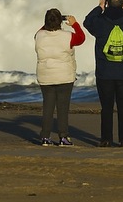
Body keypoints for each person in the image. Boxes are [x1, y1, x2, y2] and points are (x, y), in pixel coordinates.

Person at [83, 0, 123, 147]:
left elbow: (87, 22)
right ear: (122, 4)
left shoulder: (100, 22)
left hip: (105, 73)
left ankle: (106, 140)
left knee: (106, 108)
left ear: (108, 4)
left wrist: (99, 8)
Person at [34, 8, 85, 146]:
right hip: (64, 76)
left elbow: (42, 29)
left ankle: (45, 137)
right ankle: (63, 137)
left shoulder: (39, 35)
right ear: (60, 22)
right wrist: (75, 24)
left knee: (47, 107)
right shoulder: (68, 36)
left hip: (45, 76)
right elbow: (81, 38)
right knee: (63, 108)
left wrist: (49, 22)